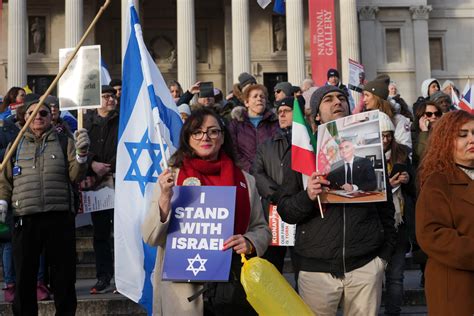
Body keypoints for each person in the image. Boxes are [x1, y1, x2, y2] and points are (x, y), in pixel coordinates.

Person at [277, 85, 396, 316]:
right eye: (328, 99)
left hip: (365, 265)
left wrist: (382, 258)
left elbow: (386, 208)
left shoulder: (369, 153)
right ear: (317, 114)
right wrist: (308, 195)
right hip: (316, 271)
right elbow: (286, 211)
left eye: (342, 98)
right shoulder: (300, 153)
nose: (337, 102)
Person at [141, 108, 271, 315]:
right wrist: (165, 198)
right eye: (197, 132)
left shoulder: (246, 181)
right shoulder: (171, 178)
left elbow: (261, 229)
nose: (205, 137)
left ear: (222, 137)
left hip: (232, 285)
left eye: (213, 131)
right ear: (188, 138)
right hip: (183, 290)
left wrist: (250, 241)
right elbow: (150, 237)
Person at [0, 94, 89, 315]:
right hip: (25, 217)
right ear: (24, 118)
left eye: (43, 113)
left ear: (51, 117)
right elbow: (5, 179)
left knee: (63, 276)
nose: (38, 116)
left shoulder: (64, 142)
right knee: (24, 277)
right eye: (32, 113)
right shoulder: (15, 145)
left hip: (58, 216)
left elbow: (76, 176)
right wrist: (2, 201)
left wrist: (81, 156)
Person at [416, 110, 474, 316]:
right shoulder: (438, 182)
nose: (471, 139)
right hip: (457, 286)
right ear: (446, 141)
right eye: (463, 134)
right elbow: (432, 235)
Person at [251, 96, 301, 272]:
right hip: (273, 213)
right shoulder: (266, 146)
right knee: (273, 267)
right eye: (279, 112)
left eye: (286, 111)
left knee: (301, 267)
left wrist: (297, 200)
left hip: (300, 212)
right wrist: (279, 196)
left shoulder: (307, 143)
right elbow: (257, 173)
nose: (281, 115)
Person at [83, 85, 119, 294]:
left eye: (112, 96)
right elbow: (78, 147)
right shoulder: (86, 121)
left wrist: (109, 166)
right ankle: (103, 276)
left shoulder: (122, 119)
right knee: (101, 234)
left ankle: (122, 277)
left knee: (122, 232)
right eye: (105, 97)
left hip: (118, 179)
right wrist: (92, 163)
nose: (109, 100)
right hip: (97, 185)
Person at [380, 114, 416, 316]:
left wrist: (408, 178)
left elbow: (414, 189)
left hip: (399, 224)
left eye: (389, 136)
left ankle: (393, 313)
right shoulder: (368, 156)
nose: (385, 140)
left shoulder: (401, 154)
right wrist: (388, 184)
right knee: (375, 279)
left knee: (395, 277)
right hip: (377, 226)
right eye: (382, 135)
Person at [228, 84, 278, 172]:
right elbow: (233, 150)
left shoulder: (274, 123)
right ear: (246, 102)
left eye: (262, 97)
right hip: (245, 173)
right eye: (255, 96)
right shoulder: (236, 124)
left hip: (270, 172)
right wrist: (250, 169)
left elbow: (277, 149)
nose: (259, 99)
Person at [363, 74, 412, 148]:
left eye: (367, 95)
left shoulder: (399, 120)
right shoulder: (366, 119)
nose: (364, 99)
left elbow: (406, 147)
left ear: (376, 97)